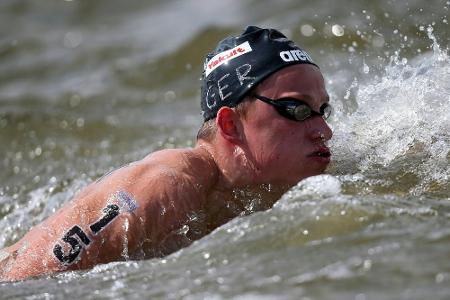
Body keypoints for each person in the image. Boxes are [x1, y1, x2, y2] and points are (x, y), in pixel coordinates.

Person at [0, 26, 332, 281]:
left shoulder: (268, 184)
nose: (324, 130)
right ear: (230, 125)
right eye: (297, 109)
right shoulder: (165, 184)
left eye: (323, 110)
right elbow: (24, 283)